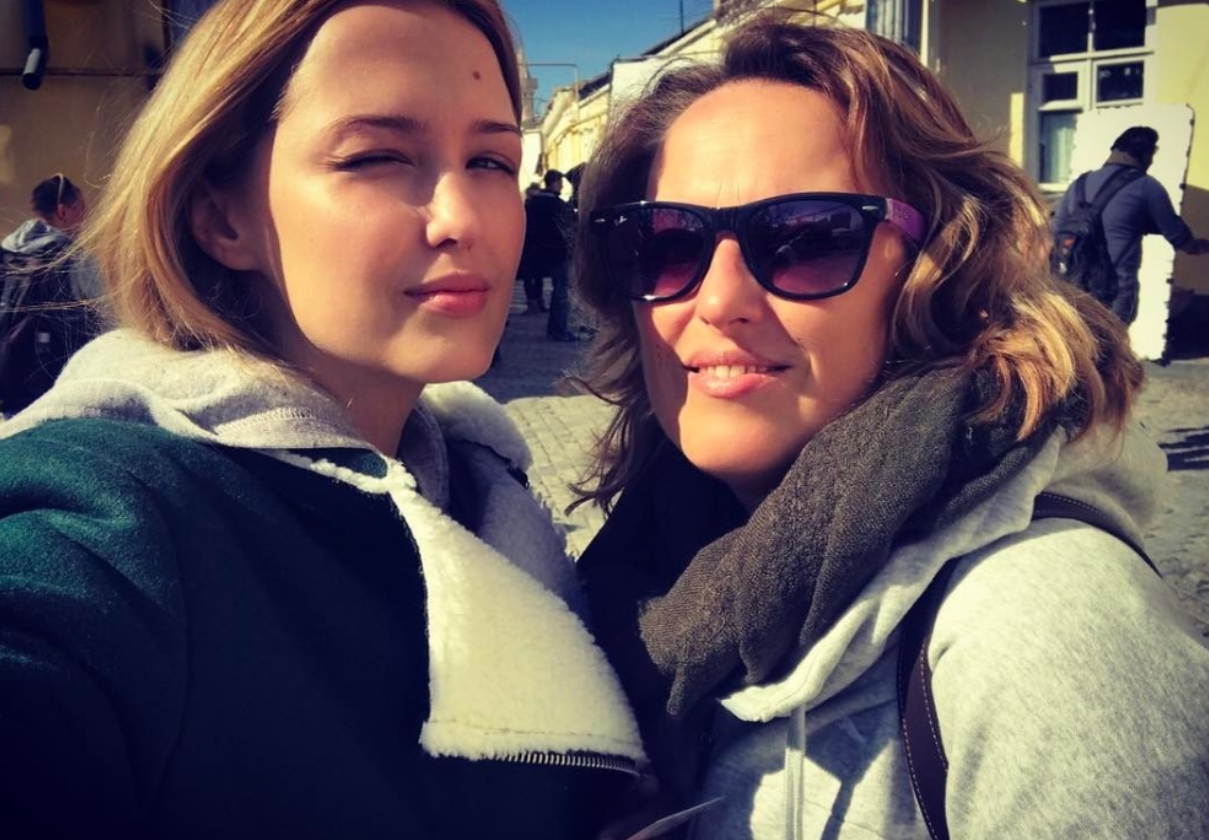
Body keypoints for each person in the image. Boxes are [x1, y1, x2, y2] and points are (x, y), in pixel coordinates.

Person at [0, 1, 644, 837]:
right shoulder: (117, 519)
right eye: (376, 157)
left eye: (490, 160)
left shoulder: (487, 491)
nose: (463, 218)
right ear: (221, 218)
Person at [572, 12, 1209, 839]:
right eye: (665, 244)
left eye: (805, 238)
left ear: (941, 268)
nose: (717, 301)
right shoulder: (638, 571)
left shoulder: (1045, 628)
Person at [1052, 125, 1209, 325]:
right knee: (1111, 340)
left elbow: (1055, 229)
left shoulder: (1079, 184)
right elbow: (1176, 233)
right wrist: (1196, 246)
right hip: (1116, 292)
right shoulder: (1147, 186)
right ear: (1146, 155)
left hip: (1074, 287)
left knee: (1079, 339)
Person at [0, 174, 102, 414]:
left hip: (8, 379)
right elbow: (105, 318)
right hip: (55, 387)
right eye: (81, 209)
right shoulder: (73, 258)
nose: (85, 218)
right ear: (63, 212)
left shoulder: (7, 253)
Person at [523, 167, 578, 340]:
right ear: (554, 183)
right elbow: (568, 228)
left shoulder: (532, 203)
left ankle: (555, 327)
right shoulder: (557, 205)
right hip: (558, 252)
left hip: (537, 251)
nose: (561, 186)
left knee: (555, 288)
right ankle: (559, 330)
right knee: (562, 290)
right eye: (560, 182)